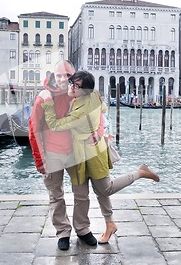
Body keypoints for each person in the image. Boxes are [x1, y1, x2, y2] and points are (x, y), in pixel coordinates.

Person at [42, 71, 160, 244]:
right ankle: (105, 224)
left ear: (85, 90)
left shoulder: (81, 110)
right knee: (84, 193)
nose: (71, 86)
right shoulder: (91, 97)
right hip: (79, 155)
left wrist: (47, 104)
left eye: (75, 85)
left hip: (93, 152)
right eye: (71, 82)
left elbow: (55, 125)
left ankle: (140, 173)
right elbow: (104, 112)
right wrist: (99, 129)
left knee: (105, 189)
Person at [29, 60, 97, 251]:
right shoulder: (44, 97)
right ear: (53, 75)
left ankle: (82, 229)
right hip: (51, 154)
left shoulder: (79, 94)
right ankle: (63, 231)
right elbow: (34, 129)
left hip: (76, 152)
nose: (62, 79)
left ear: (74, 77)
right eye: (59, 75)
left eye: (67, 76)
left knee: (82, 193)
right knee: (56, 195)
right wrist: (38, 159)